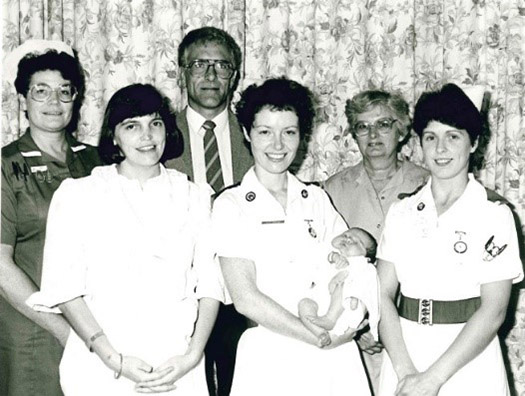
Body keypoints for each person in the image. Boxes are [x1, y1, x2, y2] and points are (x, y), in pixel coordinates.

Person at [26, 84, 223, 395]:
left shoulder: (195, 197)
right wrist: (112, 359)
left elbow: (211, 286)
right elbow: (65, 289)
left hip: (177, 367)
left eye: (155, 124)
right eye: (132, 126)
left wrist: (192, 356)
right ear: (113, 136)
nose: (147, 136)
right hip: (102, 369)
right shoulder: (79, 195)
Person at [212, 78, 372, 395]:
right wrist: (314, 336)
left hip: (334, 354)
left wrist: (349, 326)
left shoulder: (316, 199)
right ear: (246, 133)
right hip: (271, 353)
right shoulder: (230, 206)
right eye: (265, 132)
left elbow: (355, 270)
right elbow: (246, 299)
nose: (278, 145)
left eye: (289, 132)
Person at [377, 83, 524, 395]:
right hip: (406, 356)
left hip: (468, 361)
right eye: (431, 137)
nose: (440, 149)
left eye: (452, 136)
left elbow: (494, 311)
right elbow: (381, 295)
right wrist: (406, 372)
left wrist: (431, 380)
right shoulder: (402, 212)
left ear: (474, 143)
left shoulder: (494, 214)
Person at [0, 40, 101, 396]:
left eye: (64, 91)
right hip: (34, 333)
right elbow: (1, 267)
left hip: (98, 328)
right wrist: (64, 329)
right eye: (41, 92)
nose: (54, 103)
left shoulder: (98, 162)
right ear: (22, 100)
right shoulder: (6, 165)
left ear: (77, 98)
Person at [164, 26, 253, 396]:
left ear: (235, 74)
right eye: (200, 65)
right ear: (182, 71)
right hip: (180, 290)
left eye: (222, 65)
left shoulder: (258, 133)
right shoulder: (158, 135)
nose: (211, 76)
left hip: (246, 291)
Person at [323, 90, 429, 393]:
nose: (373, 135)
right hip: (353, 338)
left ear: (402, 129)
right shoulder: (332, 190)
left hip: (415, 333)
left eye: (383, 124)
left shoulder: (428, 185)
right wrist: (358, 326)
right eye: (362, 126)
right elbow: (325, 268)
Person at [298, 227, 379, 343]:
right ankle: (320, 333)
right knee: (304, 304)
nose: (348, 239)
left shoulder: (363, 265)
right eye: (345, 235)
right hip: (319, 300)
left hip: (343, 308)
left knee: (343, 285)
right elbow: (319, 254)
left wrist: (355, 295)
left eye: (356, 242)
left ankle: (330, 318)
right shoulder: (328, 250)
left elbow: (367, 285)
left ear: (365, 255)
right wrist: (334, 257)